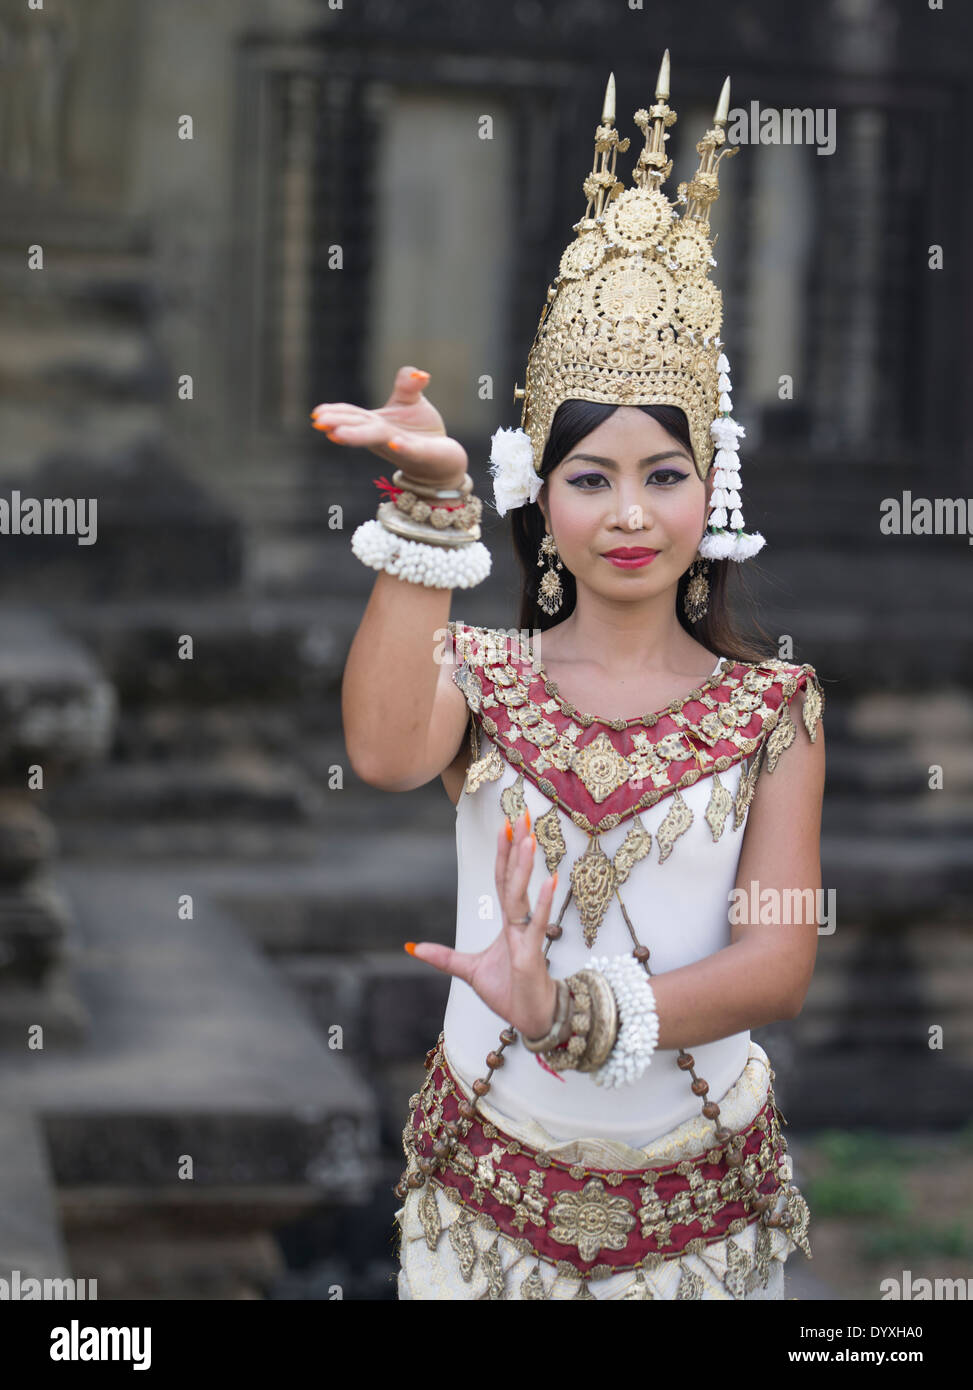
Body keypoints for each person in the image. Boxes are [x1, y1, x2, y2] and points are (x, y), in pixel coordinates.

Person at [317, 57, 826, 1300]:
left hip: (701, 1205)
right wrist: (433, 514)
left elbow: (775, 966)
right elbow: (384, 752)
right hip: (485, 1206)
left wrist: (571, 1011)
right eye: (589, 476)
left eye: (663, 472)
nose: (630, 512)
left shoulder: (775, 709)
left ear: (715, 490)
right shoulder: (483, 677)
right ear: (536, 496)